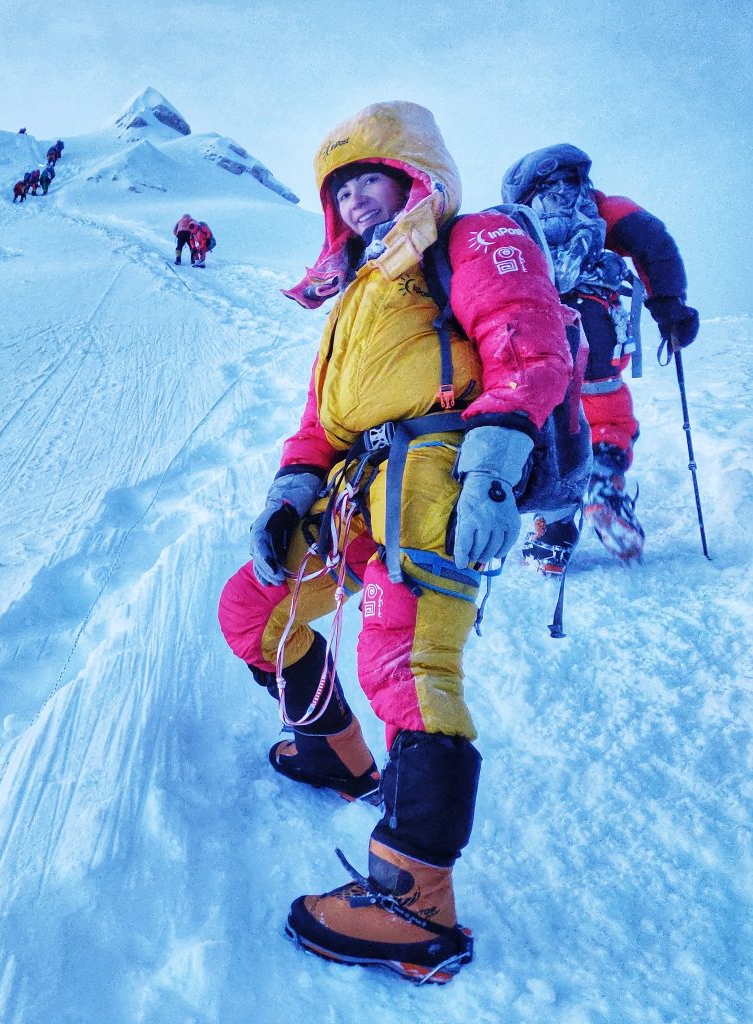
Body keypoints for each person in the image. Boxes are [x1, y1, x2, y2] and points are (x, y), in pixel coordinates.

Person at [218, 101, 574, 983]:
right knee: (254, 610)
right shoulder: (360, 293)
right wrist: (289, 492)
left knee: (408, 660)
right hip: (350, 488)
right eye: (339, 194)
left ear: (415, 175)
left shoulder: (473, 236)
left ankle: (415, 901)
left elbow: (529, 341)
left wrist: (494, 462)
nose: (355, 205)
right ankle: (335, 753)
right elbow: (320, 420)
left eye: (367, 180)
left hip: (433, 468)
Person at [501, 144, 699, 564]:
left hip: (536, 329)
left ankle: (553, 531)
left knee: (549, 422)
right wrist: (670, 306)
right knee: (604, 406)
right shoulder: (602, 207)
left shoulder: (515, 220)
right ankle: (604, 481)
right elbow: (654, 243)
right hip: (595, 323)